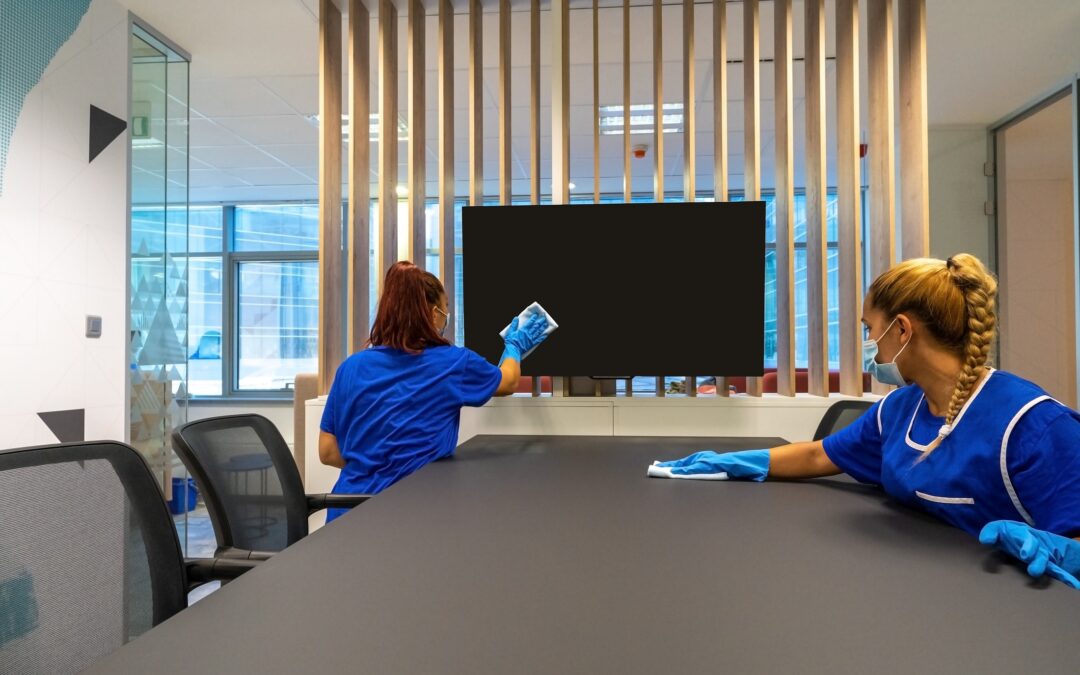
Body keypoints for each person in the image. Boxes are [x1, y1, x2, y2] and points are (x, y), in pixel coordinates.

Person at [650, 254, 1080, 589]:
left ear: (903, 330)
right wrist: (737, 463)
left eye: (870, 328)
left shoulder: (1035, 426)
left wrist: (1056, 547)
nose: (869, 343)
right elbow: (820, 455)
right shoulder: (901, 408)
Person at [318, 261, 550, 521]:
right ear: (431, 313)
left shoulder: (350, 367)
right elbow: (508, 381)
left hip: (346, 514)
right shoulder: (452, 363)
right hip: (413, 515)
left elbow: (327, 451)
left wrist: (375, 467)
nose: (446, 315)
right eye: (445, 307)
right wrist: (515, 346)